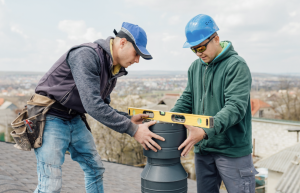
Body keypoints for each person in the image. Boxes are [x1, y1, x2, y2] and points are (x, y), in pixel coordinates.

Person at [33, 22, 165, 193]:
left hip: (74, 117)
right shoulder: (86, 55)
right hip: (50, 115)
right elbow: (93, 105)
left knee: (95, 170)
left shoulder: (112, 69)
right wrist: (134, 130)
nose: (137, 60)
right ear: (122, 43)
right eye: (136, 53)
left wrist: (128, 118)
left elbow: (102, 105)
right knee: (50, 184)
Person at [171, 14, 258, 193]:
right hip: (204, 150)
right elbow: (187, 99)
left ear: (216, 38)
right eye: (193, 49)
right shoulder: (195, 68)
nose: (198, 53)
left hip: (232, 151)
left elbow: (235, 108)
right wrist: (165, 120)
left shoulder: (236, 66)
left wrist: (203, 131)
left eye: (201, 47)